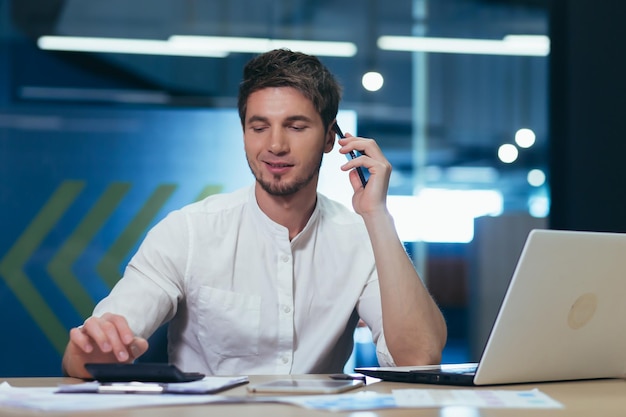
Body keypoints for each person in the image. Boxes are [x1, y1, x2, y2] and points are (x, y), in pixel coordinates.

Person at [62, 48, 447, 379]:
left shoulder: (360, 238)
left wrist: (377, 215)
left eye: (296, 127)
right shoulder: (188, 232)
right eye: (259, 127)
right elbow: (83, 359)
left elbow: (418, 359)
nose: (275, 145)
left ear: (331, 138)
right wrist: (95, 350)